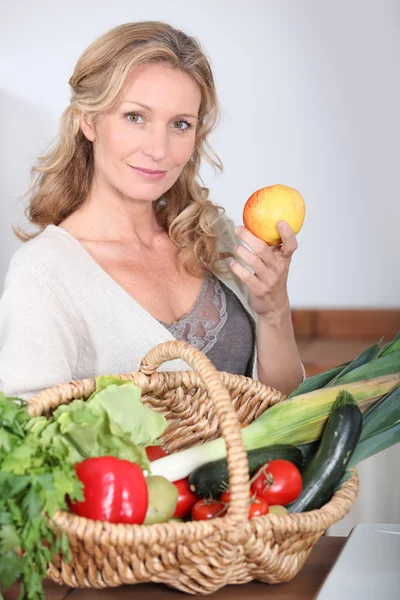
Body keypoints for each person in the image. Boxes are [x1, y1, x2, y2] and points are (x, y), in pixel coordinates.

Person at [0, 21, 304, 400]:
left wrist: (274, 309)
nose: (159, 149)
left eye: (180, 124)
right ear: (89, 121)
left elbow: (284, 405)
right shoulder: (44, 273)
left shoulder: (215, 236)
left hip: (252, 463)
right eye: (135, 117)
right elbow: (29, 435)